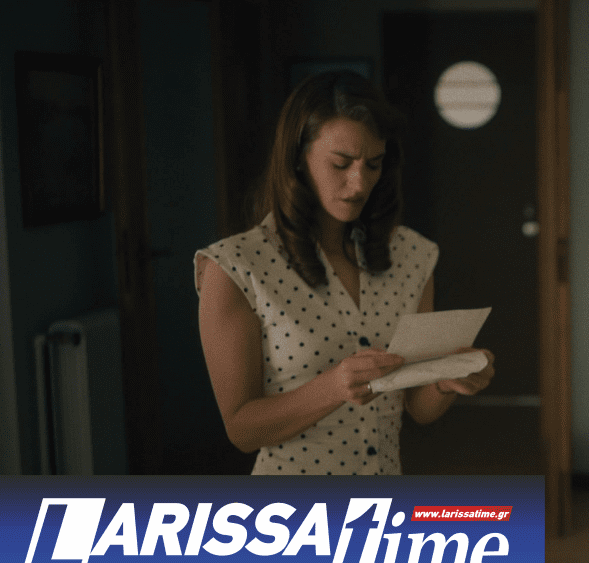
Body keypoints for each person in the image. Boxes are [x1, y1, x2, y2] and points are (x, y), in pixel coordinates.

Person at [194, 70, 494, 475]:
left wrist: (447, 379)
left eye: (373, 165)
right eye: (341, 163)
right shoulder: (236, 266)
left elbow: (417, 408)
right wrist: (334, 387)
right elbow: (242, 430)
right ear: (298, 157)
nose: (359, 183)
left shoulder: (411, 256)